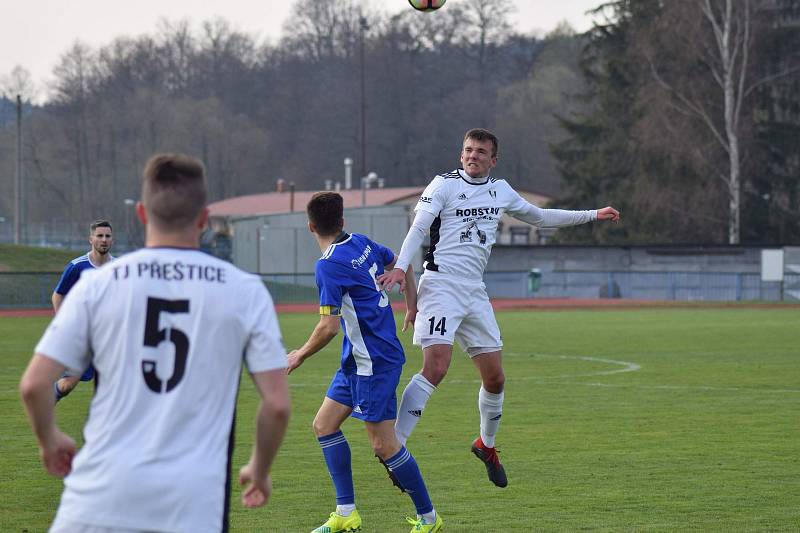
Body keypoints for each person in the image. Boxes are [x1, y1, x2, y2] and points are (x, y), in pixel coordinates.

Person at [20, 153, 291, 533]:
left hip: (98, 498)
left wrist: (49, 440)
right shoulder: (244, 290)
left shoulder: (97, 284)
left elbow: (33, 385)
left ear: (143, 214)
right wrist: (259, 469)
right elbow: (277, 404)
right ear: (203, 218)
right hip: (193, 502)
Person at [379, 128, 620, 488]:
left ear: (493, 159)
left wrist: (592, 215)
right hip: (441, 286)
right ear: (461, 154)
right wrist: (400, 265)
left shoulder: (501, 190)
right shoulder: (442, 185)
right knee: (437, 367)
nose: (472, 155)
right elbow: (419, 228)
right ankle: (394, 449)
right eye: (467, 150)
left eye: (480, 151)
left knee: (495, 378)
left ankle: (486, 445)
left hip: (475, 291)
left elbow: (540, 217)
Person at [287, 192, 443, 533]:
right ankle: (346, 513)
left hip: (374, 362)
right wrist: (412, 306)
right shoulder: (361, 242)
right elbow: (404, 264)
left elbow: (328, 326)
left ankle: (429, 518)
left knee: (383, 444)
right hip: (357, 359)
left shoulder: (327, 265)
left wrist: (299, 353)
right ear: (342, 221)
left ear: (310, 226)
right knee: (324, 425)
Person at [51, 219, 114, 401]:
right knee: (68, 384)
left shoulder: (119, 268)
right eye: (99, 236)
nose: (104, 240)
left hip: (109, 336)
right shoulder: (77, 266)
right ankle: (48, 401)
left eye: (107, 236)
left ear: (112, 240)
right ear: (91, 239)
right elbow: (57, 295)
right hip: (81, 336)